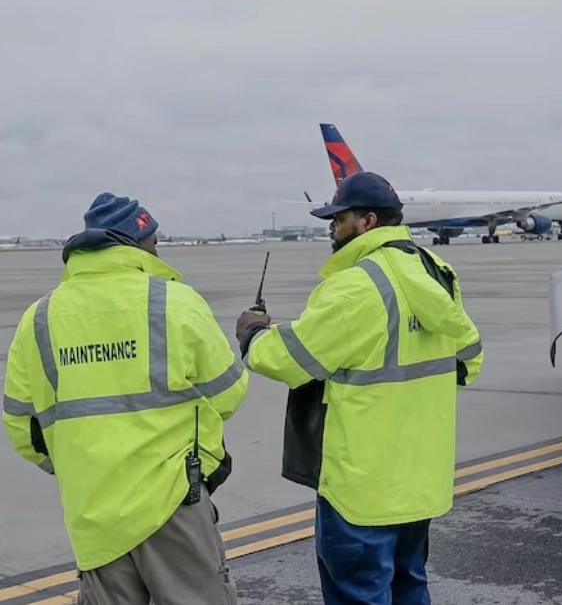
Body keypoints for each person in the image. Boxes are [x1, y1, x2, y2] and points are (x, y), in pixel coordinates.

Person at [235, 171, 483, 605]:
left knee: (358, 594)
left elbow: (286, 359)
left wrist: (252, 333)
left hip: (360, 490)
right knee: (410, 585)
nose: (331, 227)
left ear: (367, 222)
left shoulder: (354, 287)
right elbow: (469, 361)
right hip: (420, 480)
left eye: (338, 218)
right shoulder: (436, 272)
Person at [2, 193, 248, 605]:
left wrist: (76, 465)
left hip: (93, 510)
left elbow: (20, 426)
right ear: (139, 243)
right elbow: (228, 392)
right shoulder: (174, 301)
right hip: (174, 500)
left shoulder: (38, 318)